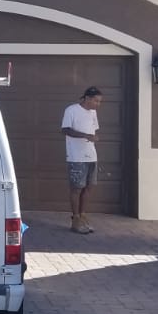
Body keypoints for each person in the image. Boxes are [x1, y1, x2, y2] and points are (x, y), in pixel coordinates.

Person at [61, 86, 103, 234]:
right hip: (76, 156)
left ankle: (84, 216)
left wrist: (94, 137)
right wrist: (85, 136)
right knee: (76, 188)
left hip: (91, 155)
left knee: (88, 187)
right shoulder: (71, 110)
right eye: (96, 101)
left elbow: (94, 130)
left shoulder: (93, 113)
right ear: (87, 98)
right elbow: (65, 130)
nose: (98, 104)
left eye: (99, 102)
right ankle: (76, 219)